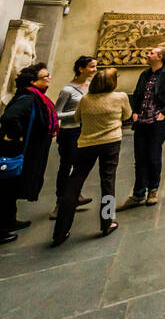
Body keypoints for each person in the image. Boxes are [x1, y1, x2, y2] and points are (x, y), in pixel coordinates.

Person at [0, 62, 58, 248]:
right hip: (16, 153)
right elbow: (9, 118)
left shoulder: (34, 96)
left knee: (10, 192)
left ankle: (8, 222)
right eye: (45, 77)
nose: (49, 79)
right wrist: (18, 138)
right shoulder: (27, 98)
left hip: (26, 152)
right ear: (33, 81)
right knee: (3, 194)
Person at [51, 67, 130, 246]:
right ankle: (107, 221)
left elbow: (78, 118)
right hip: (111, 143)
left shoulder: (86, 99)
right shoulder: (120, 97)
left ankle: (60, 230)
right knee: (108, 182)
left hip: (86, 143)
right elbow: (127, 115)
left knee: (74, 183)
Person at [122, 46, 165, 208]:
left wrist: (164, 112)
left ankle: (153, 189)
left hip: (157, 120)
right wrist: (134, 111)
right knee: (140, 157)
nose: (148, 55)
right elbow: (138, 94)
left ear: (160, 57)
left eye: (151, 53)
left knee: (153, 155)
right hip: (142, 119)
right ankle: (138, 193)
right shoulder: (145, 73)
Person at [49, 55, 96, 222]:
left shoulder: (90, 86)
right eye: (91, 67)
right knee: (66, 166)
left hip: (84, 131)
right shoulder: (67, 90)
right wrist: (76, 113)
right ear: (81, 68)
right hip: (69, 132)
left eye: (95, 66)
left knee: (79, 166)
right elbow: (56, 113)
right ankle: (60, 202)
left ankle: (75, 195)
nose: (94, 70)